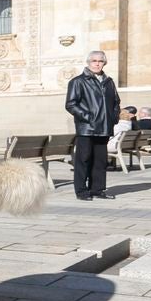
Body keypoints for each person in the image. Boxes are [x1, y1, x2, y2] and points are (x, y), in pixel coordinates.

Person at [65, 51, 119, 201]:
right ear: (88, 62)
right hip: (86, 128)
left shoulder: (109, 82)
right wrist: (89, 118)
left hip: (104, 128)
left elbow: (116, 102)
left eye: (100, 61)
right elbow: (71, 104)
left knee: (100, 161)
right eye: (94, 61)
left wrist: (113, 118)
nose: (97, 63)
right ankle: (81, 191)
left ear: (104, 63)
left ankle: (97, 189)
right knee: (83, 160)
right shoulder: (78, 81)